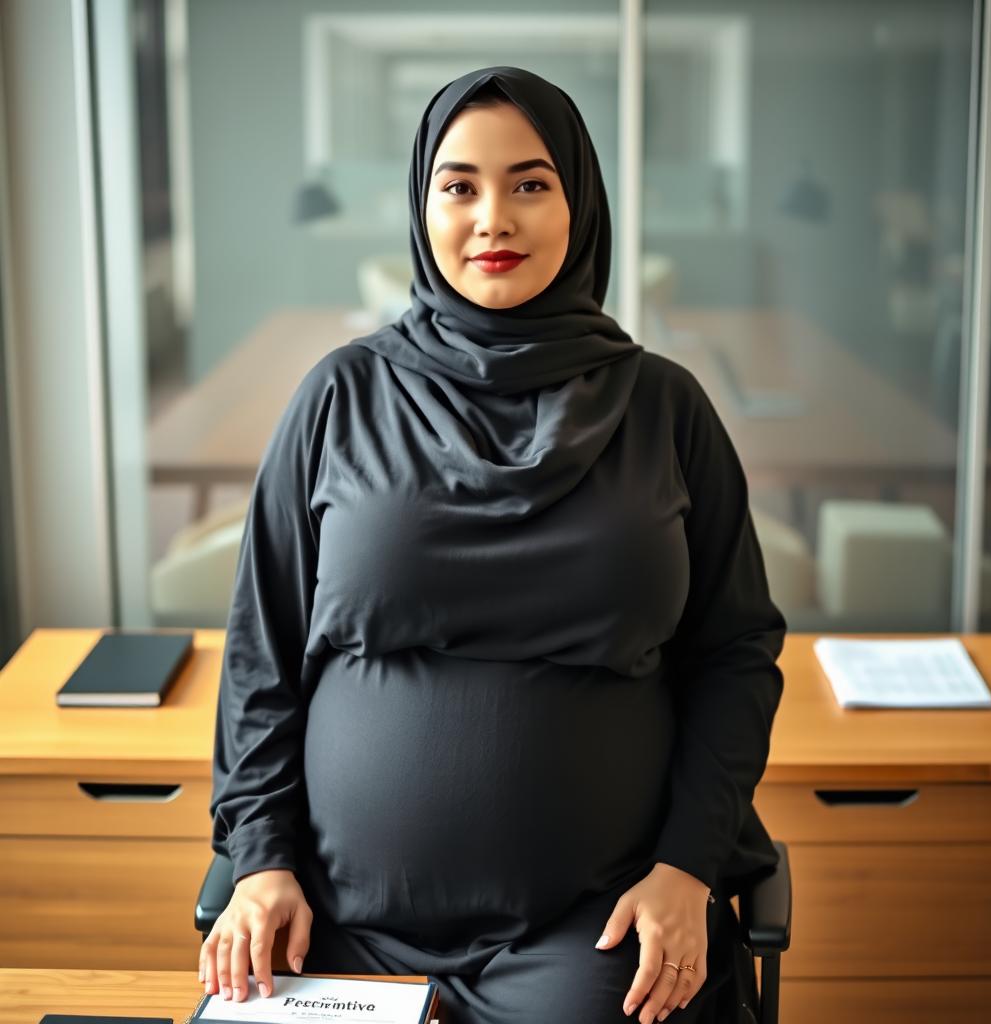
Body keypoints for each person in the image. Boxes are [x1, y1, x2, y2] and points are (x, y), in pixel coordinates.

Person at [199, 65, 786, 1024]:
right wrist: (261, 861)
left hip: (590, 928)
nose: (493, 219)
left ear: (579, 201)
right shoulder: (341, 396)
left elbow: (734, 656)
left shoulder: (665, 409)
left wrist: (687, 866)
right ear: (422, 207)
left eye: (530, 183)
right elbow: (262, 654)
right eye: (459, 185)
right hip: (338, 919)